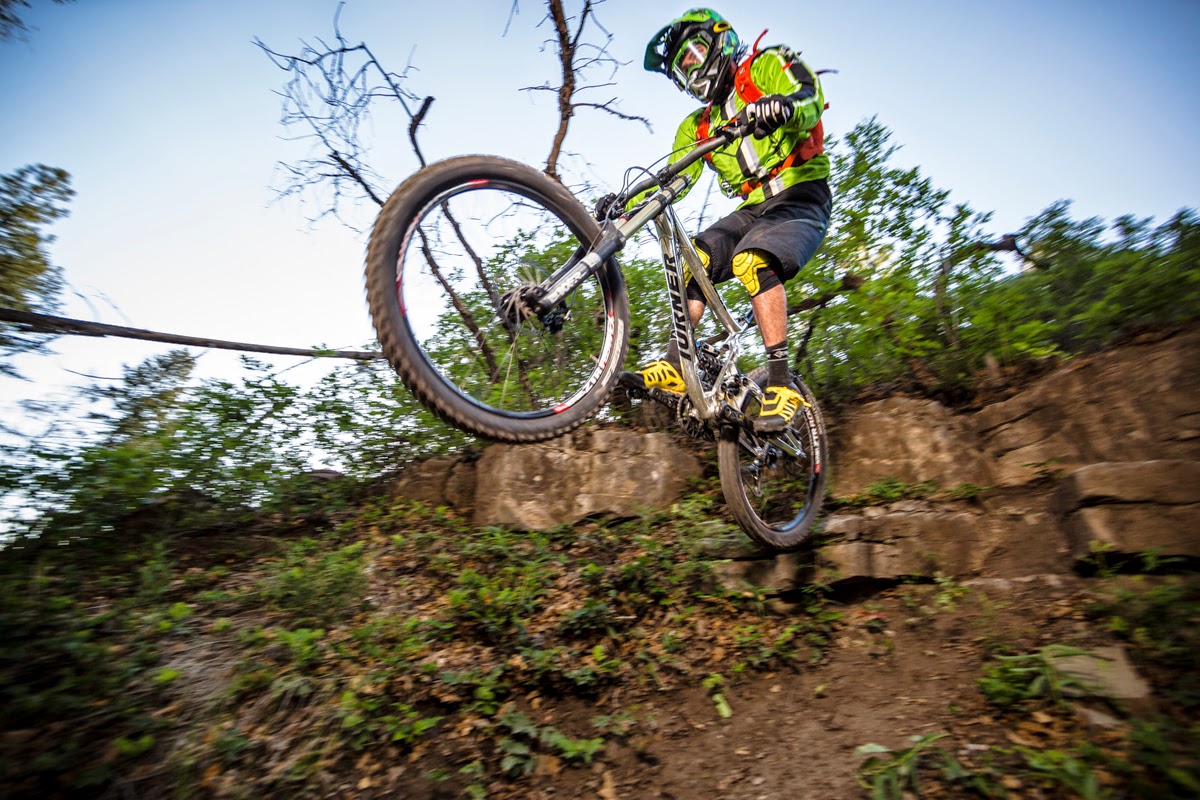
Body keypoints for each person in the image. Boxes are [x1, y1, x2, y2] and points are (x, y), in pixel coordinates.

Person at [620, 8, 832, 433]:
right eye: (683, 68)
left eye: (695, 54)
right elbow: (673, 177)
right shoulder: (698, 125)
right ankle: (676, 364)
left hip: (800, 193)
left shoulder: (765, 66)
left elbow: (809, 97)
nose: (692, 69)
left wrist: (781, 106)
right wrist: (625, 204)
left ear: (720, 41)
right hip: (754, 208)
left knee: (752, 260)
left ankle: (781, 383)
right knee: (693, 258)